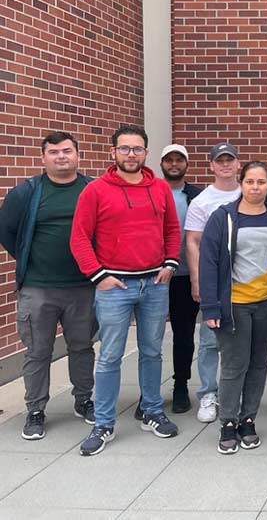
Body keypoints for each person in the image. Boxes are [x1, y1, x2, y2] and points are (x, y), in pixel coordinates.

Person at [70, 125, 182, 455]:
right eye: (124, 149)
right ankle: (104, 423)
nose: (130, 154)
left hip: (154, 284)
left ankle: (151, 410)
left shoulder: (159, 188)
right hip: (114, 286)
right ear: (113, 152)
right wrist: (98, 276)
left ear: (146, 153)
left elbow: (172, 229)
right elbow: (78, 238)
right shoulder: (96, 191)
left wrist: (171, 262)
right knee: (110, 356)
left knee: (151, 351)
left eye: (137, 149)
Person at [0, 131, 96, 441]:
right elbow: (8, 231)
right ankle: (36, 410)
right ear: (43, 158)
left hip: (83, 286)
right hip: (38, 287)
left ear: (77, 155)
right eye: (53, 152)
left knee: (81, 347)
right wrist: (31, 259)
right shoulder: (27, 192)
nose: (61, 157)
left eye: (67, 151)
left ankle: (83, 401)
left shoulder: (92, 189)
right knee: (38, 351)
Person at [198, 161, 267, 455]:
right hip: (234, 305)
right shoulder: (223, 218)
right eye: (250, 182)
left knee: (258, 363)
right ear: (241, 183)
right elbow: (208, 263)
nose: (256, 187)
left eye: (262, 182)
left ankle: (248, 418)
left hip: (266, 304)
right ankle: (228, 422)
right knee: (233, 365)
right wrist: (211, 308)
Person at [185, 142, 242, 424]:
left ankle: (237, 392)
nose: (225, 165)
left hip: (247, 281)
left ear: (238, 163)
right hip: (215, 281)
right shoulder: (202, 201)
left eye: (230, 159)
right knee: (209, 341)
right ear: (211, 166)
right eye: (220, 161)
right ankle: (208, 393)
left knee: (243, 341)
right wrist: (197, 279)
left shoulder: (250, 193)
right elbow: (193, 241)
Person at [156, 144, 201, 414]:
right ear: (161, 164)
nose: (174, 164)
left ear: (186, 164)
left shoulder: (196, 195)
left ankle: (181, 385)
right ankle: (149, 392)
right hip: (154, 276)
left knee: (184, 335)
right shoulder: (151, 190)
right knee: (151, 338)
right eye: (169, 160)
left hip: (185, 275)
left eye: (179, 160)